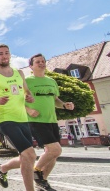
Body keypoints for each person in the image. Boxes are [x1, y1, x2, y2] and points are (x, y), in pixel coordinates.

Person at [0, 44, 36, 191]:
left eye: (6, 53)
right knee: (30, 154)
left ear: (10, 55)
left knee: (26, 158)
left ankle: (2, 169)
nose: (4, 56)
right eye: (0, 54)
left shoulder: (19, 73)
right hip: (6, 119)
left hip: (23, 118)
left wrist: (29, 97)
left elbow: (26, 91)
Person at [25, 53, 74, 191]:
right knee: (55, 149)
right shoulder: (27, 81)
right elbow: (16, 100)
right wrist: (28, 110)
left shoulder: (52, 81)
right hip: (36, 120)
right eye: (38, 62)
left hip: (51, 120)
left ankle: (42, 183)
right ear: (31, 66)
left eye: (43, 61)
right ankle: (36, 171)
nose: (41, 63)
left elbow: (55, 100)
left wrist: (64, 105)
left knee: (53, 155)